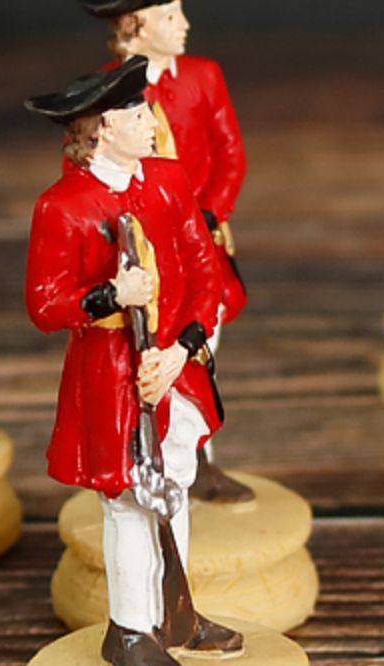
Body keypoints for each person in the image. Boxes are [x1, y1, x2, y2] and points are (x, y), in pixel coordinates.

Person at [25, 56, 242, 666]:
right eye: (137, 114)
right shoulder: (62, 207)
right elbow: (44, 305)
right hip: (112, 376)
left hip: (173, 364)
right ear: (101, 130)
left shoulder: (169, 180)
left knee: (174, 487)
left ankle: (176, 614)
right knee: (127, 503)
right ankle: (129, 630)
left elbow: (203, 273)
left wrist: (182, 349)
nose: (151, 122)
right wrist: (108, 296)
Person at [82, 0, 252, 501]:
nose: (185, 25)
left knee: (200, 343)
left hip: (198, 246)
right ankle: (144, 454)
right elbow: (89, 174)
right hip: (138, 258)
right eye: (171, 17)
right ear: (135, 26)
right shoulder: (105, 90)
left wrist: (208, 216)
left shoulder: (203, 77)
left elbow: (230, 155)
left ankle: (197, 456)